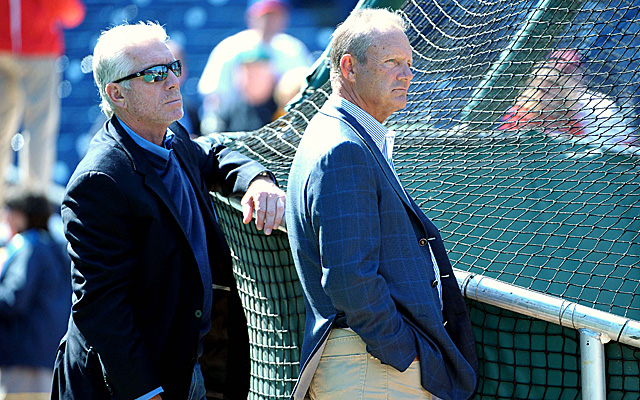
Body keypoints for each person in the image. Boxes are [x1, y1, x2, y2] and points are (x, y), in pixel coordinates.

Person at [51, 21, 286, 400]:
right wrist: (146, 393)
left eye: (173, 67)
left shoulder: (171, 141)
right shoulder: (100, 179)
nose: (173, 81)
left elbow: (215, 153)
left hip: (185, 368)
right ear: (117, 94)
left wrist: (257, 180)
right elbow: (102, 309)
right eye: (155, 74)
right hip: (130, 385)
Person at [286, 8, 478, 400]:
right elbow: (348, 276)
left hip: (368, 366)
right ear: (349, 68)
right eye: (392, 62)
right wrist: (401, 353)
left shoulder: (345, 134)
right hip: (371, 370)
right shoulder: (342, 148)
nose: (407, 74)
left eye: (409, 63)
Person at [0, 0, 85, 200]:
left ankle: (29, 207)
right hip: (38, 49)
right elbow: (70, 12)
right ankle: (33, 207)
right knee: (39, 128)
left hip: (12, 50)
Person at [198, 0, 310, 134]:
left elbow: (306, 91)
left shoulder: (293, 49)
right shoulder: (230, 47)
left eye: (276, 15)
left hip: (282, 121)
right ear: (251, 17)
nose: (270, 21)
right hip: (236, 121)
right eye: (265, 15)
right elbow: (214, 97)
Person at [498, 49, 639, 155]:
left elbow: (627, 149)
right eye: (545, 87)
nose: (549, 93)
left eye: (569, 71)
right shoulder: (521, 113)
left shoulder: (597, 107)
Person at [0, 188, 71, 400]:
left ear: (21, 215)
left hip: (23, 355)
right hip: (48, 354)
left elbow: (14, 299)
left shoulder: (28, 247)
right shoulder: (55, 246)